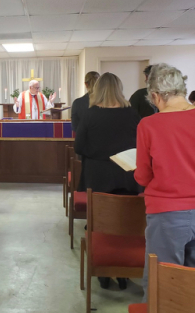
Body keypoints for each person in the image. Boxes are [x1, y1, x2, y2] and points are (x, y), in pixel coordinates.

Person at [75, 72, 142, 290]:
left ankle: (103, 270)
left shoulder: (90, 114)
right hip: (127, 174)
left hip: (99, 176)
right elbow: (140, 144)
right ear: (119, 88)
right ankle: (123, 270)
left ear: (98, 90)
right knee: (126, 221)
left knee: (101, 223)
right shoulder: (132, 114)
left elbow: (79, 147)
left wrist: (100, 154)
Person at [134, 63, 195, 300]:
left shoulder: (149, 125)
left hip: (168, 213)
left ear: (156, 95)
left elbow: (143, 176)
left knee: (162, 283)